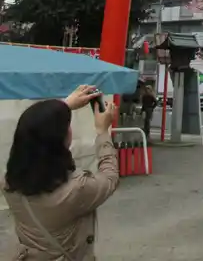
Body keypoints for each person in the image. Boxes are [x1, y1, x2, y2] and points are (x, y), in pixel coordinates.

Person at [2, 84, 118, 261]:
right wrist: (102, 132)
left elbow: (33, 131)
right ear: (62, 140)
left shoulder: (9, 182)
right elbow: (109, 176)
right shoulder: (77, 190)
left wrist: (65, 106)